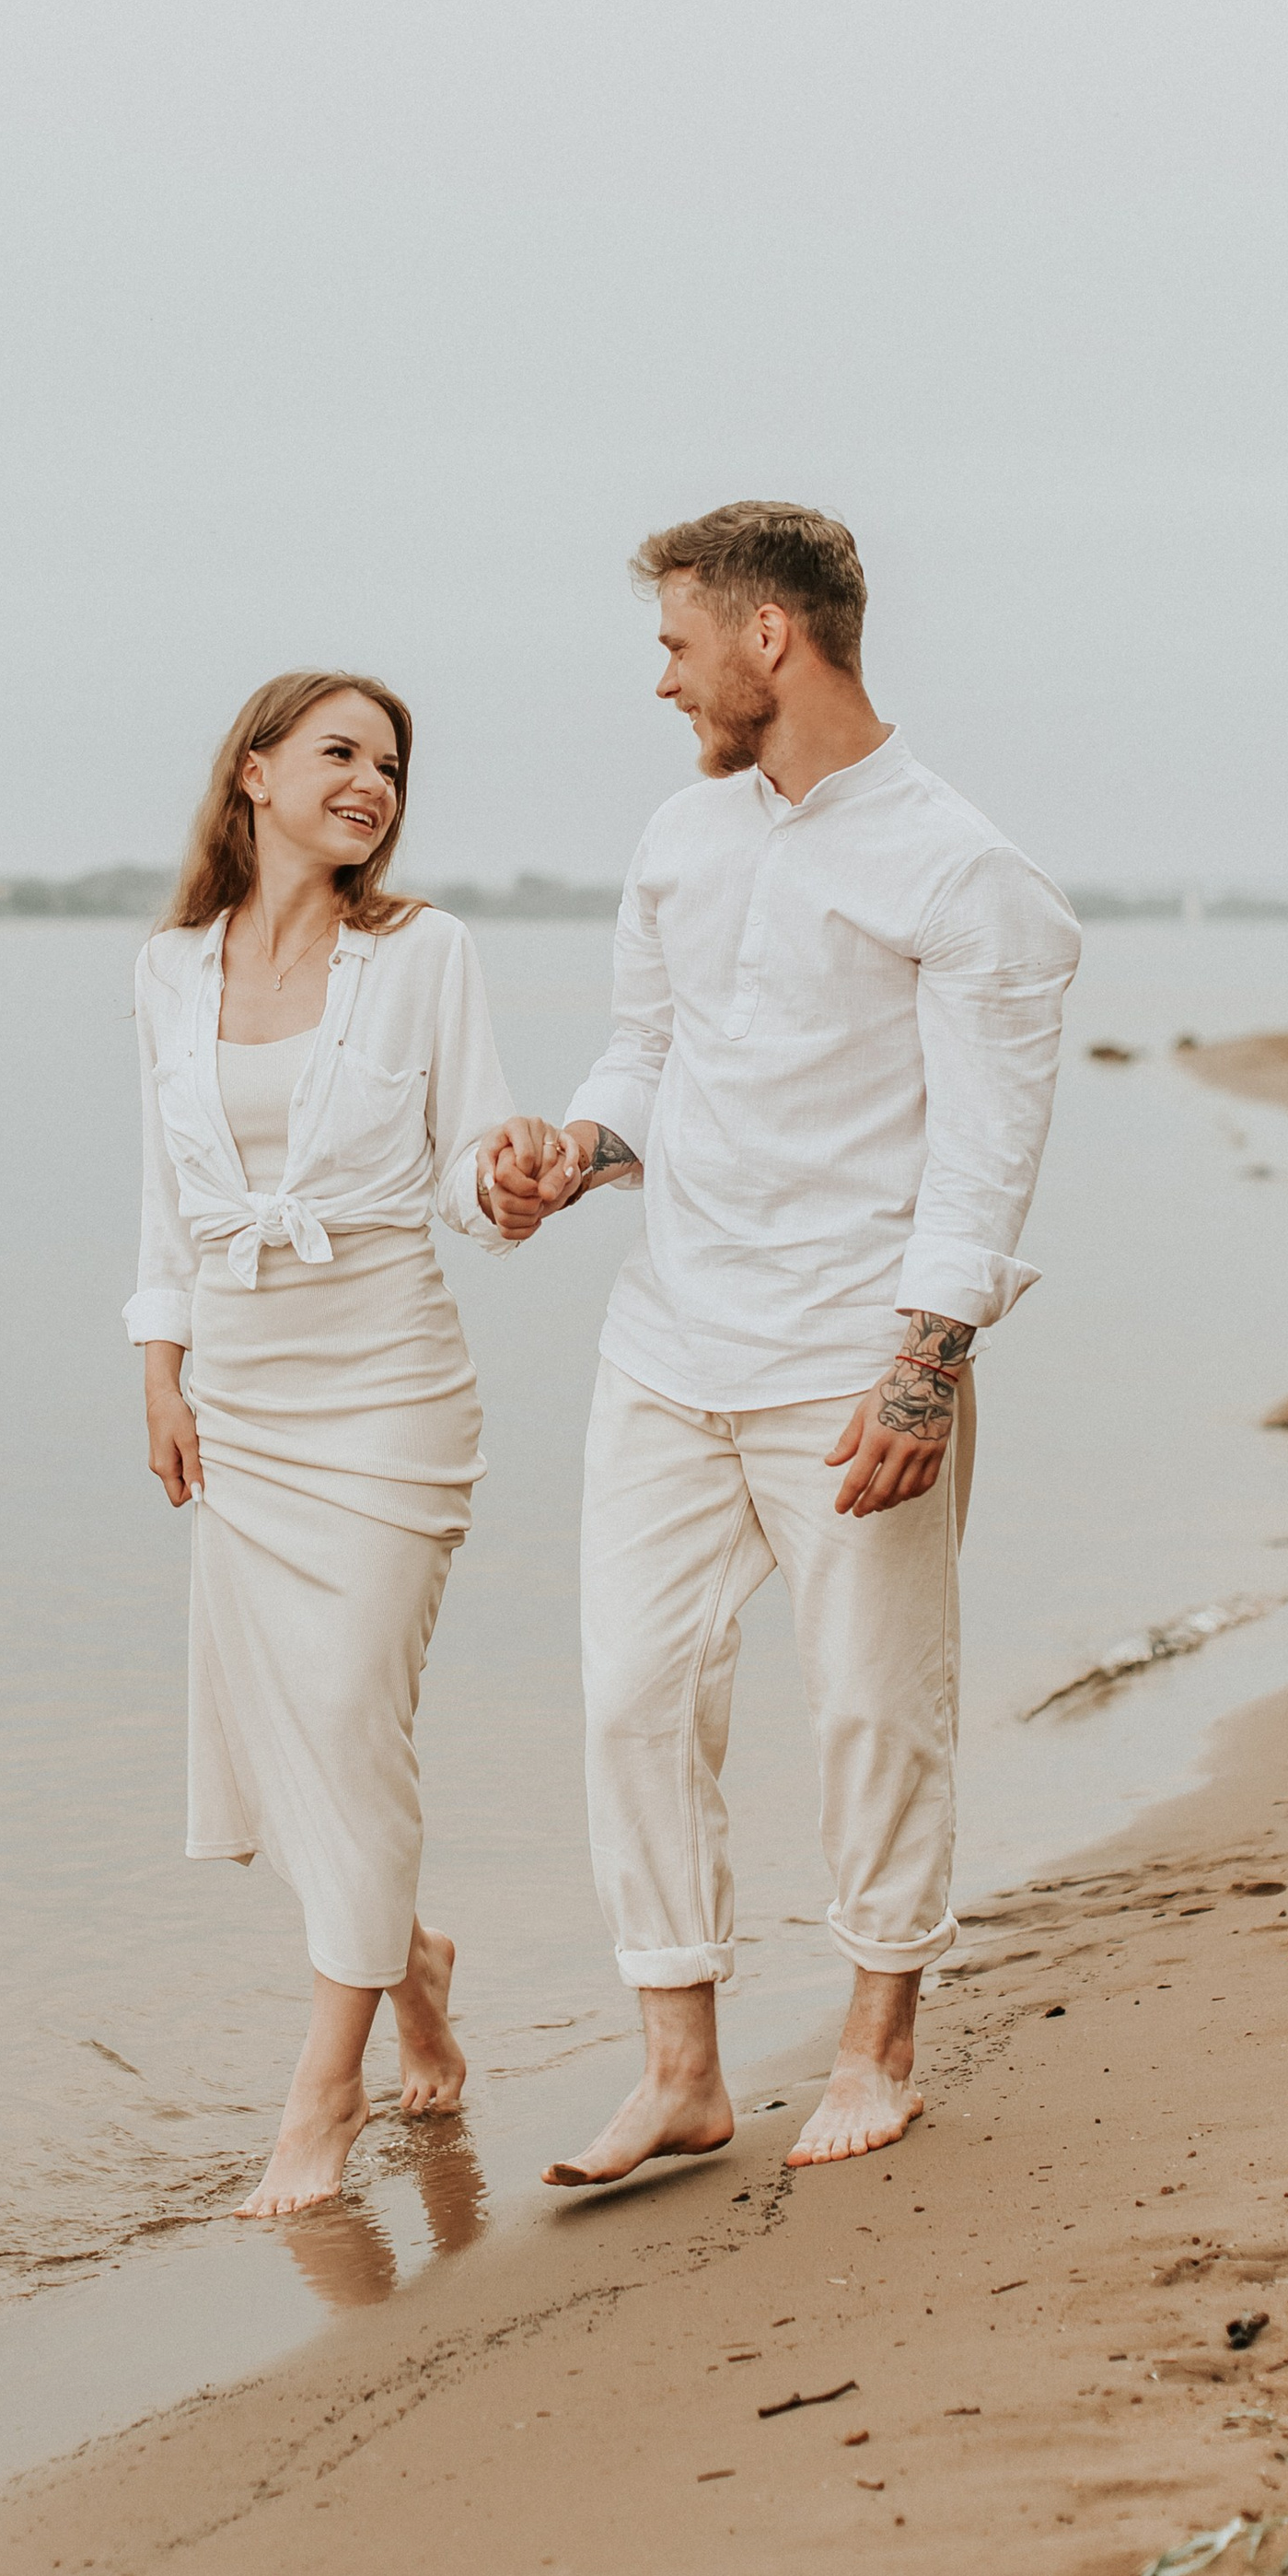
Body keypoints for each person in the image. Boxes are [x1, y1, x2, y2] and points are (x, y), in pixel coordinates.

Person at [486, 502, 1080, 2181]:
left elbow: (986, 1151)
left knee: (873, 1709)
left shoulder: (966, 872)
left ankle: (876, 2045)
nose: (661, 680)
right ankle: (681, 2068)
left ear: (770, 638)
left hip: (849, 1363)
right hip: (667, 1346)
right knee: (632, 1700)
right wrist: (573, 1157)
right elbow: (645, 1055)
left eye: (678, 644)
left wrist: (927, 1365)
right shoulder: (683, 835)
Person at [128, 668, 533, 2217]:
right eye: (341, 753)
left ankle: (322, 2089)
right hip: (239, 1399)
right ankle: (413, 1966)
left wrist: (510, 1181)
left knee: (355, 1716)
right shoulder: (169, 972)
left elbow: (468, 1161)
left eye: (392, 764)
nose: (372, 783)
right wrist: (159, 1372)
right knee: (303, 1733)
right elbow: (164, 1195)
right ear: (254, 771)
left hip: (388, 1395)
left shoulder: (425, 954)